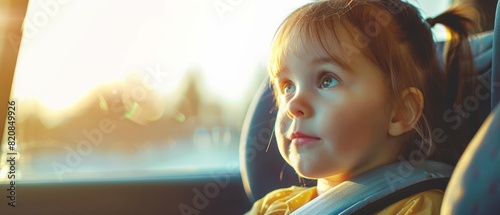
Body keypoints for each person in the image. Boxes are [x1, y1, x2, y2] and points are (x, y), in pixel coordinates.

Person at [246, 0, 480, 214]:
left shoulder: (419, 207)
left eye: (327, 80)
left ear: (400, 113)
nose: (293, 104)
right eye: (287, 86)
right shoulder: (272, 206)